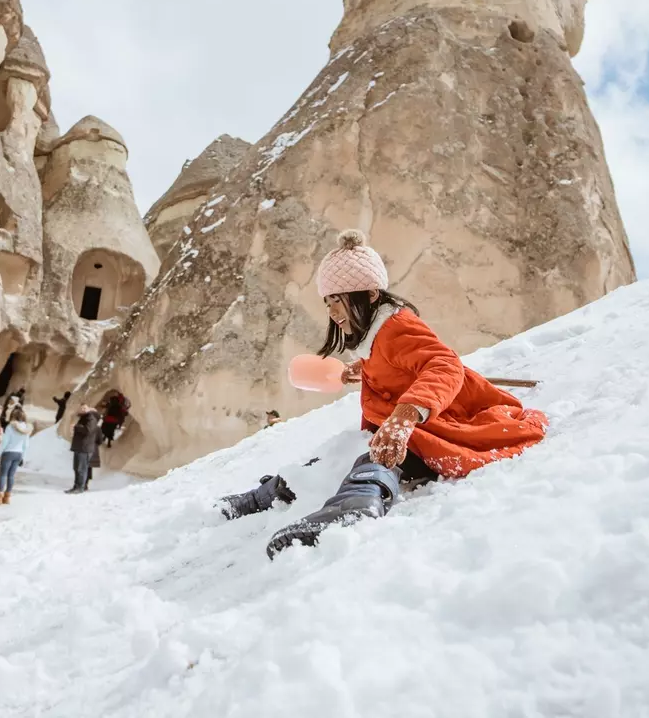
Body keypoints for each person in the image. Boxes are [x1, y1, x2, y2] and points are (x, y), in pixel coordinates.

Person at [220, 230, 549, 559]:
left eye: (339, 299)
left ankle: (357, 506)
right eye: (328, 301)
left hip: (448, 422)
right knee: (335, 455)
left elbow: (445, 365)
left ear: (371, 293)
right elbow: (396, 366)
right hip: (405, 423)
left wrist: (405, 417)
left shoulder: (397, 327)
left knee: (376, 457)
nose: (332, 311)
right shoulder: (375, 334)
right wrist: (362, 370)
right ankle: (266, 495)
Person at [0, 408, 32, 505]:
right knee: (11, 476)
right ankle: (7, 497)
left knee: (3, 475)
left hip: (8, 453)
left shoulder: (10, 427)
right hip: (18, 454)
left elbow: (5, 442)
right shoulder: (27, 428)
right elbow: (26, 445)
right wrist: (23, 457)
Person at [66, 404, 101, 494]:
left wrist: (76, 427)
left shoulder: (91, 418)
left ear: (89, 409)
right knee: (77, 468)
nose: (83, 409)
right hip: (80, 447)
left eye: (85, 408)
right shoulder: (85, 418)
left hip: (84, 448)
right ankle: (76, 486)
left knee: (81, 469)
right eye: (81, 408)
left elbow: (88, 430)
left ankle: (80, 487)